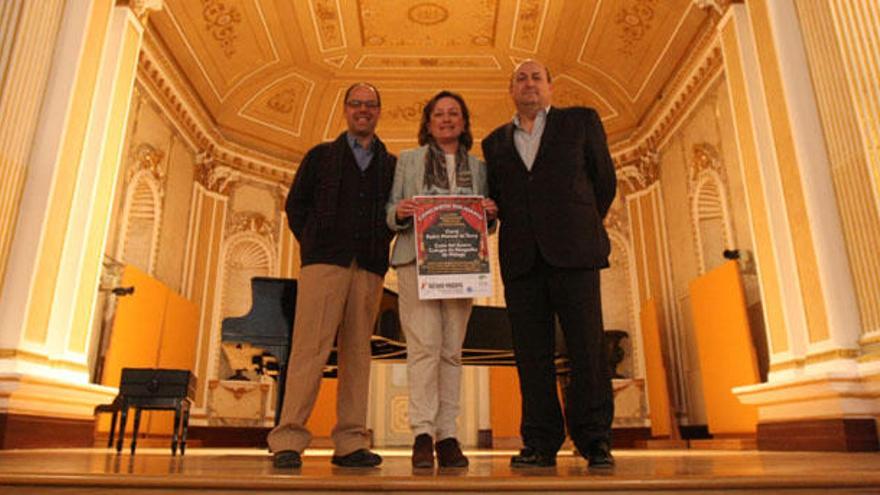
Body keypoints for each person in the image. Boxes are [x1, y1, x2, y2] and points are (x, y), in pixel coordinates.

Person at [481, 60, 617, 469]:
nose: (529, 84)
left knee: (587, 349)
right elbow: (498, 199)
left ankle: (594, 440)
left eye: (536, 77)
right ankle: (540, 442)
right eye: (520, 78)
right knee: (531, 355)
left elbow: (603, 182)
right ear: (511, 91)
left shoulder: (581, 122)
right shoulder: (493, 143)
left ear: (550, 88)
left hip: (575, 253)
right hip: (522, 262)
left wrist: (578, 224)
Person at [269, 82, 396, 469]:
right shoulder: (320, 156)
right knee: (310, 348)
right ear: (345, 110)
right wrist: (314, 244)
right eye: (356, 103)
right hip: (324, 264)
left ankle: (351, 442)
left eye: (370, 104)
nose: (363, 110)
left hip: (370, 268)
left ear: (378, 111)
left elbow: (398, 213)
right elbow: (296, 206)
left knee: (358, 354)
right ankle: (288, 438)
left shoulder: (392, 165)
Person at [386, 91, 497, 469]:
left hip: (462, 267)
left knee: (451, 351)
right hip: (415, 263)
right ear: (428, 123)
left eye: (454, 113)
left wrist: (491, 213)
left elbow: (486, 218)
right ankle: (421, 433)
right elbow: (389, 209)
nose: (446, 119)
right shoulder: (408, 159)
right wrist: (399, 211)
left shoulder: (479, 167)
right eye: (439, 114)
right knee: (423, 349)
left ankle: (447, 435)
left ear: (463, 122)